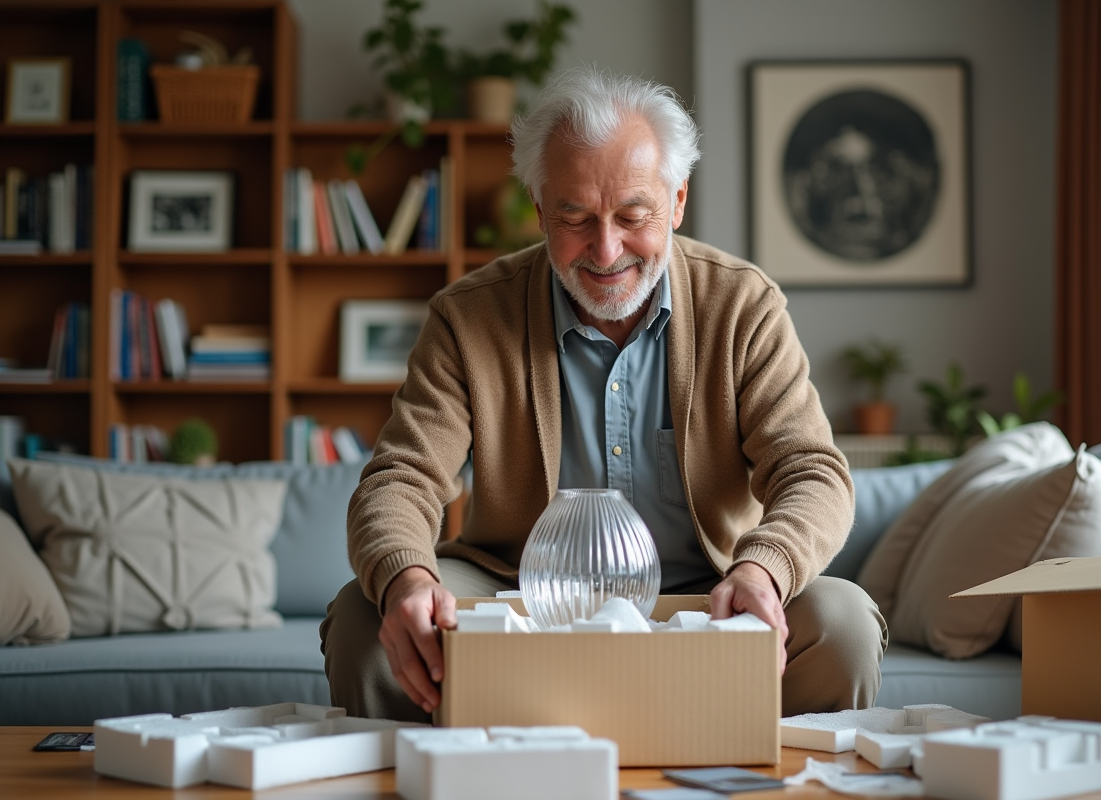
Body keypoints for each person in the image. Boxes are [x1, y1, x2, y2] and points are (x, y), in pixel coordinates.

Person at [321, 66, 887, 722]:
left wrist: (763, 568)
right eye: (575, 217)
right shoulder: (467, 318)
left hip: (710, 597)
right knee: (364, 622)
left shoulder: (743, 306)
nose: (607, 248)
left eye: (632, 216)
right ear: (539, 209)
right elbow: (400, 480)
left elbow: (814, 472)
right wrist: (408, 580)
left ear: (677, 201)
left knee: (843, 626)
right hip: (518, 599)